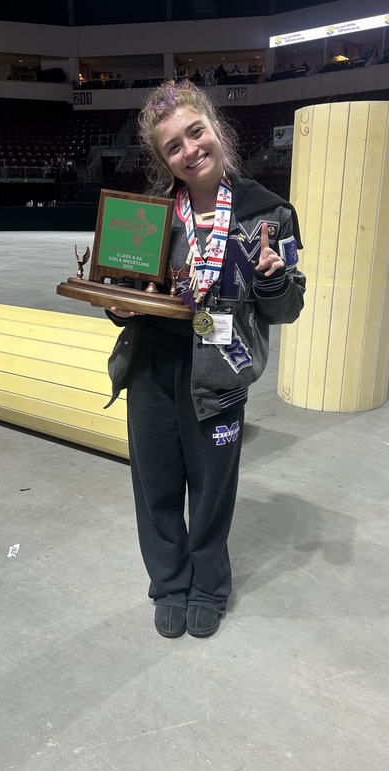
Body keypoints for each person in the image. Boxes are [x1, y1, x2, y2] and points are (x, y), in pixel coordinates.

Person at [104, 80, 306, 639]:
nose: (190, 150)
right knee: (157, 485)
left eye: (196, 133)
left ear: (216, 129)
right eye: (173, 146)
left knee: (213, 487)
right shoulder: (149, 218)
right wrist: (119, 302)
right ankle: (168, 582)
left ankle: (209, 585)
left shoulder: (270, 213)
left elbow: (290, 309)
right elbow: (128, 301)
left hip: (220, 369)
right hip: (152, 367)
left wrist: (272, 277)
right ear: (162, 158)